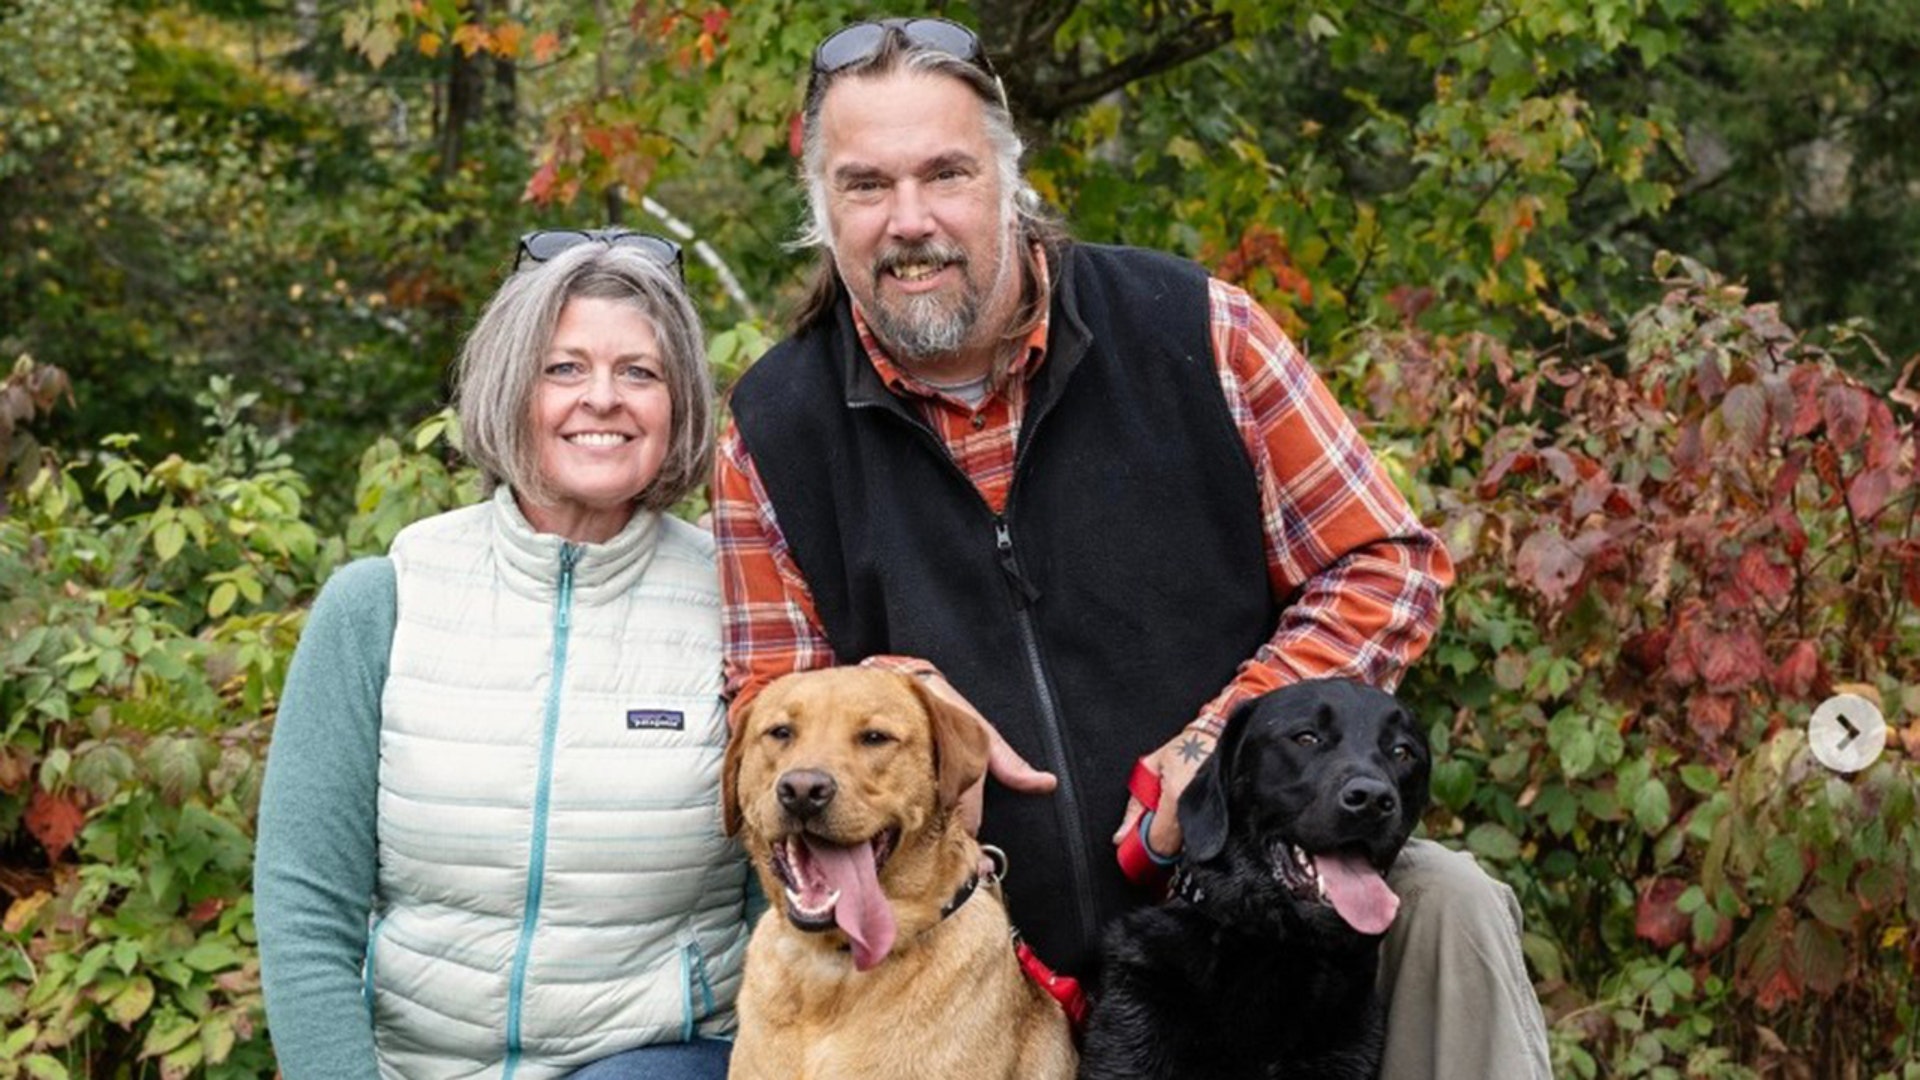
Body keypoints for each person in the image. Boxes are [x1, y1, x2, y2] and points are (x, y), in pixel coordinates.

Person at [713, 17, 1553, 1079]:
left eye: (947, 174)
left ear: (1010, 180)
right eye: (866, 185)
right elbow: (767, 706)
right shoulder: (772, 426)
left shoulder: (1198, 331)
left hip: (1235, 898)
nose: (910, 221)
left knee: (1450, 908)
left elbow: (1385, 560)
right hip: (970, 951)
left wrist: (1214, 743)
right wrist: (895, 691)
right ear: (822, 208)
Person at [256, 231, 749, 1080]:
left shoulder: (737, 606)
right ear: (508, 387)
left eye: (640, 371)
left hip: (659, 1060)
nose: (603, 398)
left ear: (681, 405)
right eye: (563, 369)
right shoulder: (383, 602)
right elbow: (305, 902)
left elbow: (781, 891)